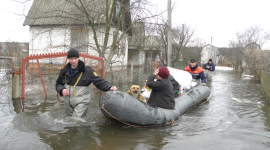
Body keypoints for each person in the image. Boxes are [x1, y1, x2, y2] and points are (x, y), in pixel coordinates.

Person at [56, 49, 117, 118]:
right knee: (68, 121)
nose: (73, 61)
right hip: (68, 102)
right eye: (71, 58)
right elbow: (58, 84)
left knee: (75, 121)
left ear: (78, 58)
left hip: (82, 102)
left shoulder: (88, 71)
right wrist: (62, 90)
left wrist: (109, 87)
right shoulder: (64, 71)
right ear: (68, 59)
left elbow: (99, 81)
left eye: (75, 58)